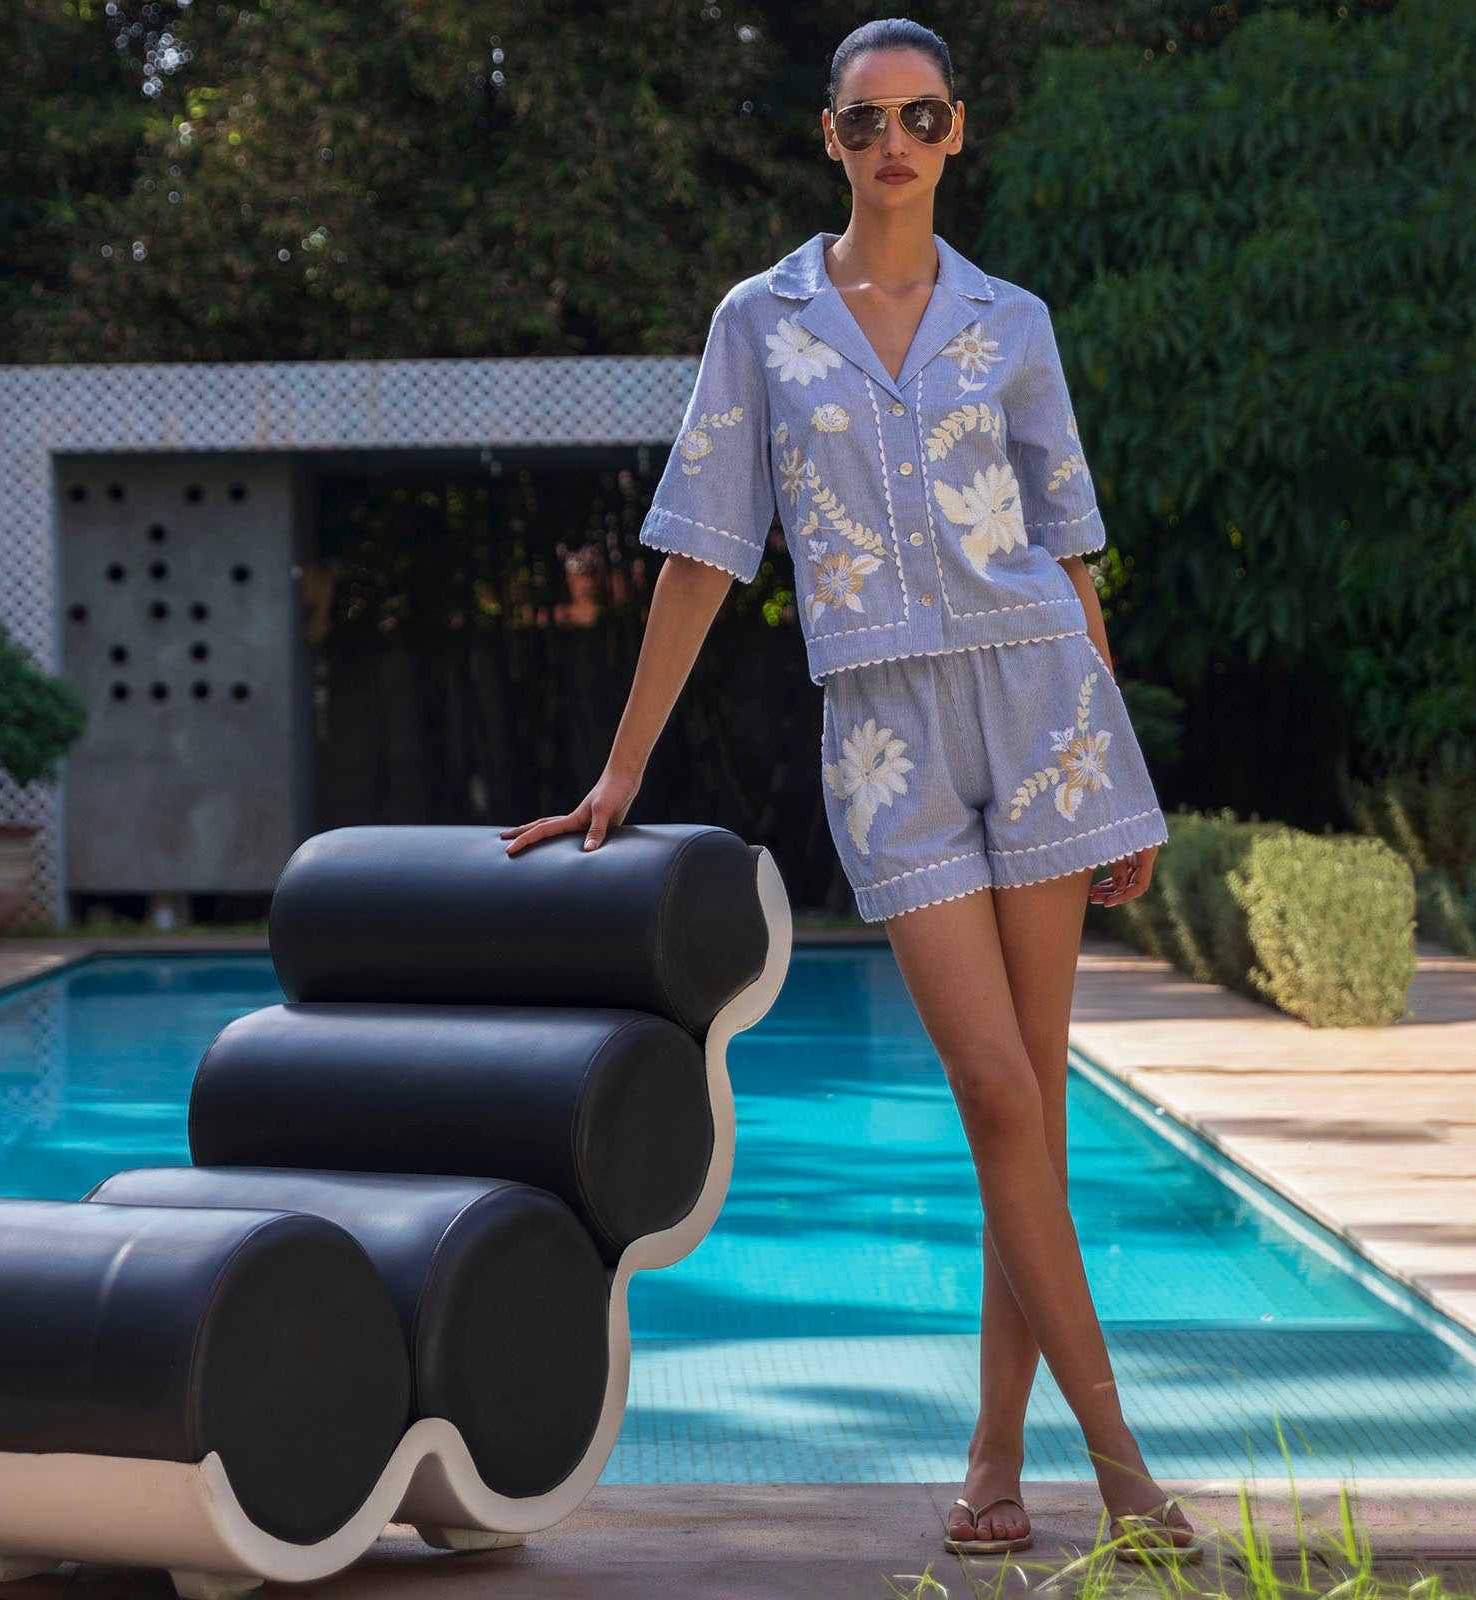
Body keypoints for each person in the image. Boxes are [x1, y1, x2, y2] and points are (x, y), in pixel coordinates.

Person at [501, 17, 1206, 1566]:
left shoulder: (1012, 321)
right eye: (868, 117)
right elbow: (701, 550)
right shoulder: (761, 322)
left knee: (1034, 1113)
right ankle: (1127, 1476)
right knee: (996, 1094)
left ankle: (993, 1468)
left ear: (960, 134)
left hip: (1044, 711)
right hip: (884, 732)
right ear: (830, 137)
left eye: (924, 116)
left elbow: (1070, 557)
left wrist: (1122, 793)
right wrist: (621, 771)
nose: (896, 140)